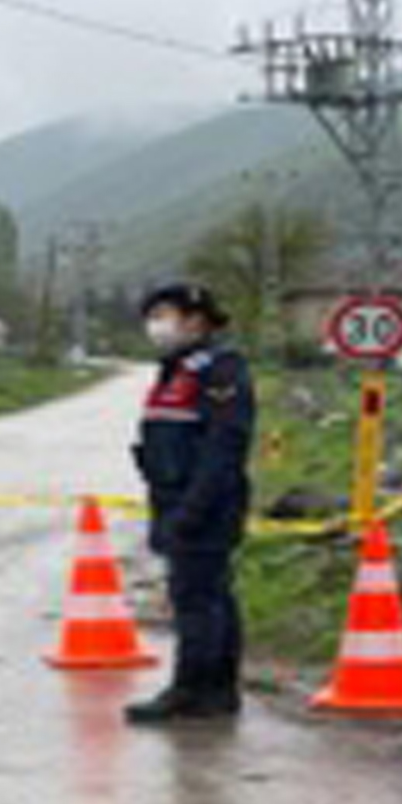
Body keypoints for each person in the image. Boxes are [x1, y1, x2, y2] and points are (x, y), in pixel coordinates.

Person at [126, 279, 254, 725]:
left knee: (197, 599)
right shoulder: (175, 368)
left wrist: (191, 510)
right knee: (208, 594)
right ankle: (218, 691)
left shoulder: (220, 370)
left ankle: (194, 689)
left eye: (165, 315)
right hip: (172, 497)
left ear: (196, 320)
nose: (156, 325)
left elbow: (224, 447)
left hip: (204, 504)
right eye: (153, 316)